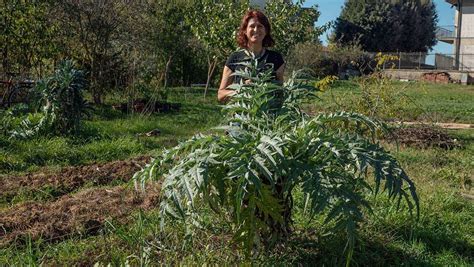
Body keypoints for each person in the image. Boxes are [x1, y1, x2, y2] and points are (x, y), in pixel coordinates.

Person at [218, 10, 285, 103]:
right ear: (245, 31)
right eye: (252, 26)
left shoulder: (276, 59)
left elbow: (280, 93)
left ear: (266, 31)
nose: (256, 30)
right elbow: (221, 95)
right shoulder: (235, 58)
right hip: (242, 115)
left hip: (267, 115)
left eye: (260, 26)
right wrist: (241, 91)